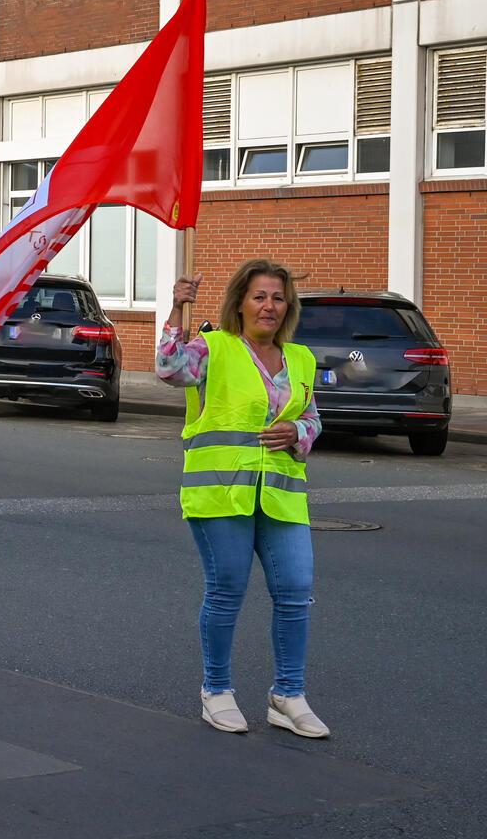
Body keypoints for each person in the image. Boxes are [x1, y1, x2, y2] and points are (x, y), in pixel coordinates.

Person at [161, 261, 328, 740]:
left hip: (281, 496)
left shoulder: (300, 360)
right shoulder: (214, 348)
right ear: (239, 303)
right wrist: (178, 308)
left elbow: (314, 418)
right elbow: (168, 369)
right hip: (221, 494)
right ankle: (216, 691)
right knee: (227, 590)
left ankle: (288, 696)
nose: (269, 306)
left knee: (296, 591)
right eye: (259, 296)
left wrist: (298, 430)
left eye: (277, 297)